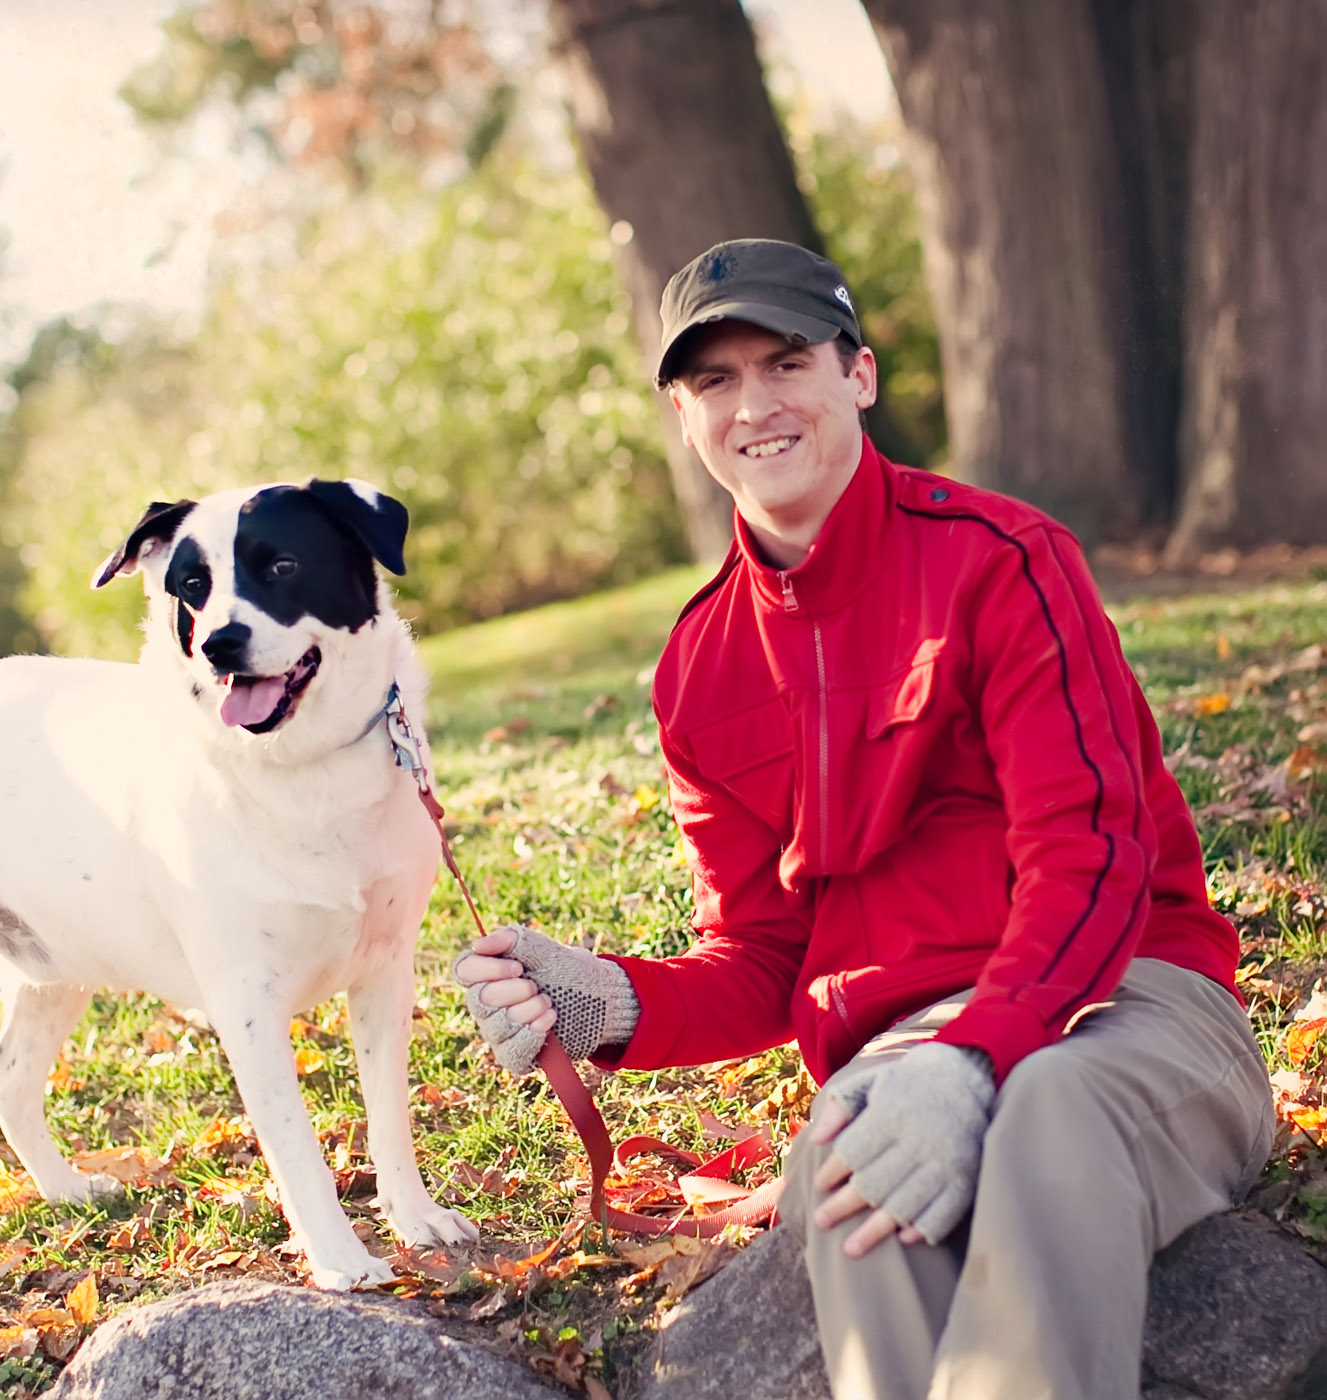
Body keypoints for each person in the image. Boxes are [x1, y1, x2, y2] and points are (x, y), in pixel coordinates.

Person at [454, 239, 1273, 1400]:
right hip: (901, 1051)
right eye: (714, 381)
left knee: (1043, 1107)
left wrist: (977, 1054)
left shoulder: (1003, 561)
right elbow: (762, 954)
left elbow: (1088, 858)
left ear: (858, 375)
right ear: (685, 417)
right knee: (849, 1150)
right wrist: (604, 1001)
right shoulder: (697, 667)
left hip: (1127, 998)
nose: (753, 405)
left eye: (784, 362)